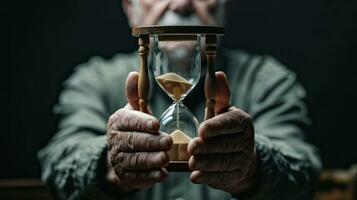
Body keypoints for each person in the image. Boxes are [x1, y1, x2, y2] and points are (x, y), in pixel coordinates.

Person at [38, 0, 322, 199]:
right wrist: (109, 165)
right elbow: (60, 167)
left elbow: (302, 175)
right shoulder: (95, 81)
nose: (180, 3)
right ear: (130, 9)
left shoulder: (266, 80)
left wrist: (252, 168)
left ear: (224, 6)